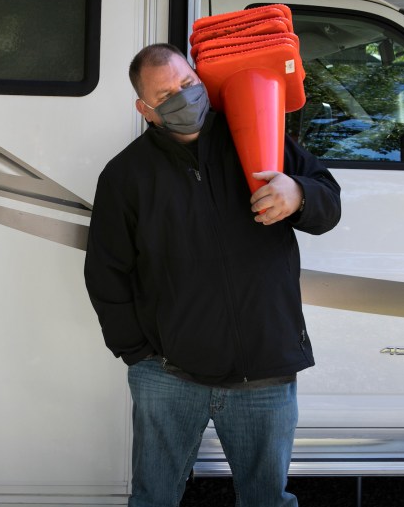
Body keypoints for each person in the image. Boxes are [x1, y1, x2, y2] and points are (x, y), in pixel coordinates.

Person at [84, 43, 341, 507]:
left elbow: (329, 204)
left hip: (265, 369)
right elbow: (106, 273)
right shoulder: (125, 176)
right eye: (165, 96)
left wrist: (298, 192)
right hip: (168, 375)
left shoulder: (258, 134)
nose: (183, 99)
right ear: (145, 110)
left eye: (188, 85)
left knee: (266, 501)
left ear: (202, 83)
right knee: (154, 499)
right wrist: (139, 355)